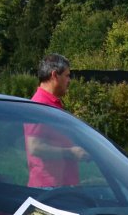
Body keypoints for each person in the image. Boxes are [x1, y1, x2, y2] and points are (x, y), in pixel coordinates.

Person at [25, 53, 86, 187]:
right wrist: (70, 152)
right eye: (67, 75)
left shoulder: (51, 104)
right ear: (54, 75)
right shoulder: (40, 106)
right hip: (48, 189)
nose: (69, 80)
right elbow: (34, 147)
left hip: (60, 186)